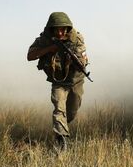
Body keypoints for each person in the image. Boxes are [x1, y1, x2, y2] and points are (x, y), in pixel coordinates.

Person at [27, 12, 89, 150]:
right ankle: (62, 141)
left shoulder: (76, 39)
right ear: (52, 29)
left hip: (75, 81)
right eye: (57, 29)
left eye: (63, 29)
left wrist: (75, 60)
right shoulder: (45, 39)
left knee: (71, 111)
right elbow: (30, 56)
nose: (60, 32)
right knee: (59, 108)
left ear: (68, 28)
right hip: (58, 82)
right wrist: (50, 49)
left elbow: (83, 60)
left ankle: (61, 126)